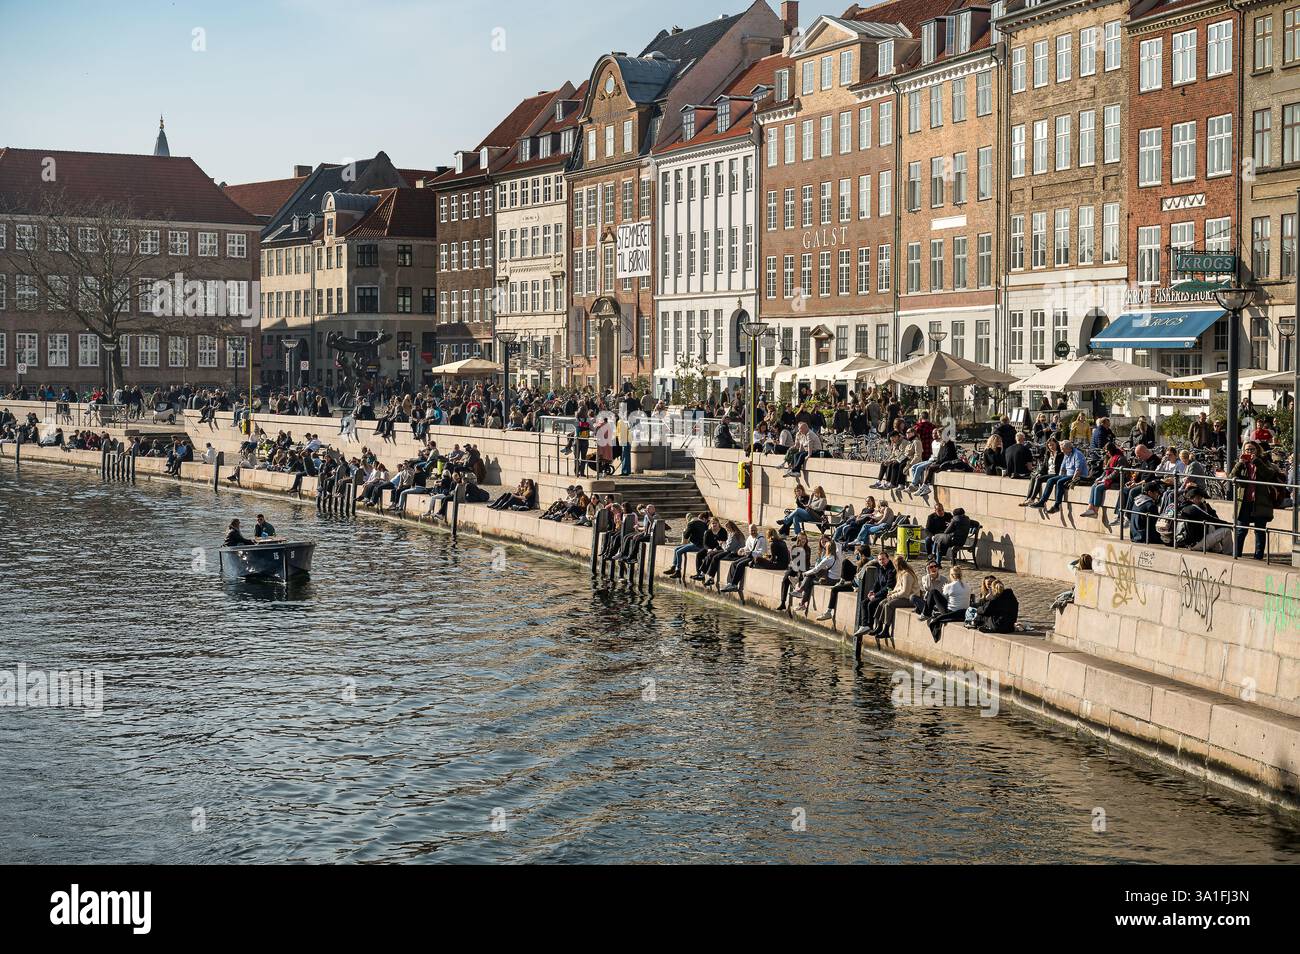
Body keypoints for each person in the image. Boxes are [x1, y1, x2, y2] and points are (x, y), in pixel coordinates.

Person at [1229, 440, 1283, 560]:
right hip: (1244, 502)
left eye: (1252, 449)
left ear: (1257, 451)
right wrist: (1239, 464)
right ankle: (1236, 555)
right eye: (1247, 450)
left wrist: (1257, 462)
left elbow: (1270, 475)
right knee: (1241, 531)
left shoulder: (1264, 462)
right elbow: (1231, 477)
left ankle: (1258, 557)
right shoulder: (1241, 464)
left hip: (1261, 502)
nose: (1249, 452)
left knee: (1259, 531)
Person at [1031, 439, 1088, 513]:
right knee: (1050, 480)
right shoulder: (1066, 453)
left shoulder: (1077, 454)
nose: (1062, 451)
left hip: (1077, 475)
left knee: (1060, 482)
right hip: (1068, 474)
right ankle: (1042, 502)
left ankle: (1057, 506)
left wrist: (1072, 481)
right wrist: (1059, 476)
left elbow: (1078, 470)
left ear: (1069, 448)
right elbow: (1062, 468)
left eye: (1063, 449)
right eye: (1061, 449)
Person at [926, 565, 972, 642]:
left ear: (951, 575)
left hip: (950, 612)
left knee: (933, 592)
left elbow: (944, 600)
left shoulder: (949, 586)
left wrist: (944, 588)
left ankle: (926, 613)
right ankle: (927, 612)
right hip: (963, 613)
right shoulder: (967, 586)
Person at [1080, 441, 1124, 518]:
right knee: (1094, 485)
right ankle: (1090, 508)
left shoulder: (1120, 458)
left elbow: (1115, 473)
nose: (1106, 453)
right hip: (1109, 480)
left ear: (1111, 450)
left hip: (1117, 482)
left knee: (1098, 488)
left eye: (1107, 451)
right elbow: (1105, 471)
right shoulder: (1110, 458)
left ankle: (1095, 511)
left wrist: (1104, 480)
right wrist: (1099, 478)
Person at [664, 512, 708, 579]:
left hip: (697, 545)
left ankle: (678, 571)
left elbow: (686, 536)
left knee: (678, 552)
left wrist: (685, 530)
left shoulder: (691, 524)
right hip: (702, 545)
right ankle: (673, 567)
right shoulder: (705, 524)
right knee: (676, 549)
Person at [1022, 437, 1062, 505]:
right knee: (1034, 476)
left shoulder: (1060, 454)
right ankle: (1028, 498)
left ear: (1056, 444)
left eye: (1053, 445)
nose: (1051, 447)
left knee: (1039, 478)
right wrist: (1040, 473)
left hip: (1055, 474)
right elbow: (1045, 466)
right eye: (1049, 445)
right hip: (1048, 473)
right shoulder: (1048, 454)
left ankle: (1032, 499)